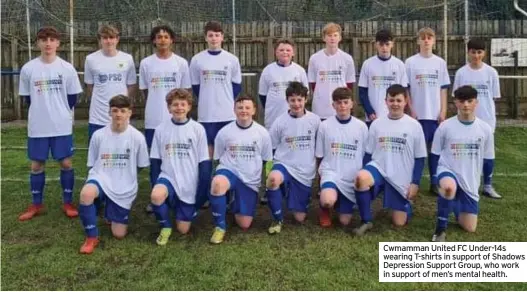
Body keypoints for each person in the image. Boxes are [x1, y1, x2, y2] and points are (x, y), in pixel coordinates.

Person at [18, 26, 83, 221]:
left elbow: (72, 98)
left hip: (61, 125)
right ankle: (36, 204)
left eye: (51, 39)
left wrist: (60, 113)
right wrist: (42, 111)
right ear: (37, 43)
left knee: (65, 162)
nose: (48, 43)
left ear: (58, 43)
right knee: (37, 165)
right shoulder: (28, 68)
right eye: (43, 39)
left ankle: (68, 202)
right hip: (38, 125)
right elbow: (27, 99)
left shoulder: (67, 68)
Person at [78, 95, 150, 254]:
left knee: (119, 234)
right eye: (115, 110)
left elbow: (141, 165)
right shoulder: (98, 135)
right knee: (86, 194)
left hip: (124, 185)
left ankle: (111, 208)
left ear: (129, 113)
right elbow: (92, 164)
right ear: (109, 113)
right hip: (101, 178)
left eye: (123, 111)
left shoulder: (137, 137)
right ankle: (91, 237)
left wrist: (124, 176)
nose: (118, 114)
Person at [353, 84, 427, 236]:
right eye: (391, 100)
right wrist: (365, 173)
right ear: (385, 101)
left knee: (399, 223)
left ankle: (405, 204)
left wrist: (415, 183)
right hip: (379, 168)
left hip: (400, 175)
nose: (395, 104)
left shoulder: (414, 126)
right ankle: (366, 220)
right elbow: (368, 153)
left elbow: (420, 158)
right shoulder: (377, 124)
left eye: (398, 100)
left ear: (406, 101)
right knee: (361, 179)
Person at [430, 86, 494, 242]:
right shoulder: (445, 126)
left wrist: (487, 184)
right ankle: (440, 230)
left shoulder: (485, 129)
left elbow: (489, 158)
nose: (466, 105)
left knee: (470, 228)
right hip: (448, 170)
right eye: (462, 101)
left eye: (469, 101)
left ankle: (455, 204)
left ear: (476, 103)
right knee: (448, 187)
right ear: (455, 103)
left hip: (469, 180)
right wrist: (434, 178)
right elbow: (434, 154)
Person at [149, 89, 211, 246]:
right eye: (174, 105)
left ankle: (180, 208)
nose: (179, 108)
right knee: (156, 196)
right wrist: (155, 183)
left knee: (183, 229)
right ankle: (165, 227)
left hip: (189, 182)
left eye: (183, 104)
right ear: (168, 108)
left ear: (189, 107)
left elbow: (204, 162)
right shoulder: (160, 129)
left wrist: (201, 192)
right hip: (167, 177)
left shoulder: (198, 129)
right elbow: (155, 161)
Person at [208, 96, 273, 244]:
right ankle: (220, 227)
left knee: (244, 224)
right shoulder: (224, 132)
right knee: (218, 184)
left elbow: (267, 161)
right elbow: (217, 159)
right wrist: (213, 181)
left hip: (249, 180)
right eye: (240, 107)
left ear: (254, 110)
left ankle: (233, 200)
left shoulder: (262, 133)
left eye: (247, 108)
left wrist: (268, 186)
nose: (244, 111)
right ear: (234, 110)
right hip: (229, 171)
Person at [139, 24, 191, 188]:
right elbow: (145, 91)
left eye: (166, 37)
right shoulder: (146, 63)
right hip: (153, 119)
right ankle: (156, 192)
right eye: (159, 37)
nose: (162, 40)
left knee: (177, 156)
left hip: (176, 119)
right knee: (156, 158)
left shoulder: (181, 63)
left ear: (171, 40)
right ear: (154, 41)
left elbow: (186, 91)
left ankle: (180, 189)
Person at [265, 82, 320, 234]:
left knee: (300, 218)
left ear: (306, 100)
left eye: (299, 100)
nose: (296, 104)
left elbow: (320, 147)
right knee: (273, 179)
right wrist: (268, 172)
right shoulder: (280, 121)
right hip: (284, 164)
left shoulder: (315, 121)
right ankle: (277, 219)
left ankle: (296, 196)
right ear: (287, 101)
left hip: (304, 171)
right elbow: (271, 147)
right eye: (292, 100)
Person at [452, 38, 501, 199]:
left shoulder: (491, 73)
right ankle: (462, 182)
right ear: (468, 52)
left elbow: (493, 97)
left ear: (484, 53)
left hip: (486, 119)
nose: (476, 55)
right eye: (473, 52)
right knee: (466, 150)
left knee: (488, 153)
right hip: (465, 120)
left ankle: (487, 185)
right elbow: (457, 97)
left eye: (479, 52)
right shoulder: (461, 73)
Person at [405, 27, 450, 194]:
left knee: (435, 150)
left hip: (435, 114)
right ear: (418, 41)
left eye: (429, 38)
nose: (426, 40)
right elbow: (406, 89)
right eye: (422, 38)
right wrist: (411, 109)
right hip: (417, 115)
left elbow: (443, 89)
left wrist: (443, 110)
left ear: (434, 41)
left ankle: (434, 182)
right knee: (415, 151)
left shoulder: (440, 62)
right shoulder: (410, 62)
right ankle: (412, 181)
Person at [316, 87, 368, 228]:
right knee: (327, 200)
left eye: (346, 102)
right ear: (333, 105)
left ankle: (341, 201)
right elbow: (320, 156)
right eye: (339, 103)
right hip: (331, 173)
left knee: (345, 221)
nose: (342, 106)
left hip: (350, 176)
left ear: (352, 104)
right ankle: (325, 208)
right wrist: (320, 181)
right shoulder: (324, 125)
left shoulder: (362, 127)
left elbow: (364, 154)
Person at [190, 21, 242, 159]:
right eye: (210, 35)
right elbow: (196, 86)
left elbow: (236, 86)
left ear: (222, 37)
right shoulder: (197, 60)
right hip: (207, 113)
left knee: (228, 147)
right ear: (205, 38)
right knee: (208, 148)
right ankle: (208, 177)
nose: (214, 38)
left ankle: (226, 176)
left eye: (217, 35)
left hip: (227, 113)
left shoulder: (232, 59)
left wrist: (225, 99)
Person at [84, 24, 137, 142]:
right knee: (98, 154)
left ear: (117, 39)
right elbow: (90, 85)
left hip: (121, 115)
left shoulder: (127, 58)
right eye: (105, 38)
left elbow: (132, 85)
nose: (108, 41)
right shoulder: (90, 59)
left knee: (122, 153)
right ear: (100, 40)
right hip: (98, 117)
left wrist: (123, 105)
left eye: (112, 37)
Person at [358, 28, 408, 128]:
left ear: (392, 44)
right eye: (381, 44)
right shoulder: (368, 64)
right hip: (373, 117)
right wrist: (369, 111)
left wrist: (400, 111)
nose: (384, 48)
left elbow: (404, 92)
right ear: (376, 45)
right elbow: (362, 91)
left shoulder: (399, 65)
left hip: (394, 116)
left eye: (387, 44)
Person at [307, 22, 356, 120]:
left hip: (340, 107)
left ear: (340, 38)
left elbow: (349, 84)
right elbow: (313, 83)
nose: (332, 38)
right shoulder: (314, 58)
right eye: (329, 35)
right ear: (324, 38)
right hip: (321, 108)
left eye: (335, 35)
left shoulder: (347, 58)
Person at [259, 39, 309, 130]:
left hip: (295, 116)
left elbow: (305, 93)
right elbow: (262, 95)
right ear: (276, 53)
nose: (285, 52)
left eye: (288, 50)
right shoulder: (268, 70)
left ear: (293, 53)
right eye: (281, 50)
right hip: (273, 116)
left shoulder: (299, 70)